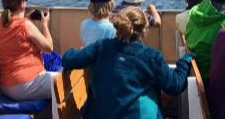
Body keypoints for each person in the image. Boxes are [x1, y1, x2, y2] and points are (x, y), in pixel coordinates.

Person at [63, 7, 192, 119]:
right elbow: (175, 85)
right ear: (144, 30)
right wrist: (185, 60)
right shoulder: (151, 56)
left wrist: (78, 51)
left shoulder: (101, 47)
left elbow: (68, 59)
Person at [0, 0, 54, 100]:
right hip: (26, 84)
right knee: (67, 81)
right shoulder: (24, 25)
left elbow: (11, 34)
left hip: (6, 86)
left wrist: (26, 20)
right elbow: (49, 48)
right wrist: (44, 24)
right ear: (22, 4)